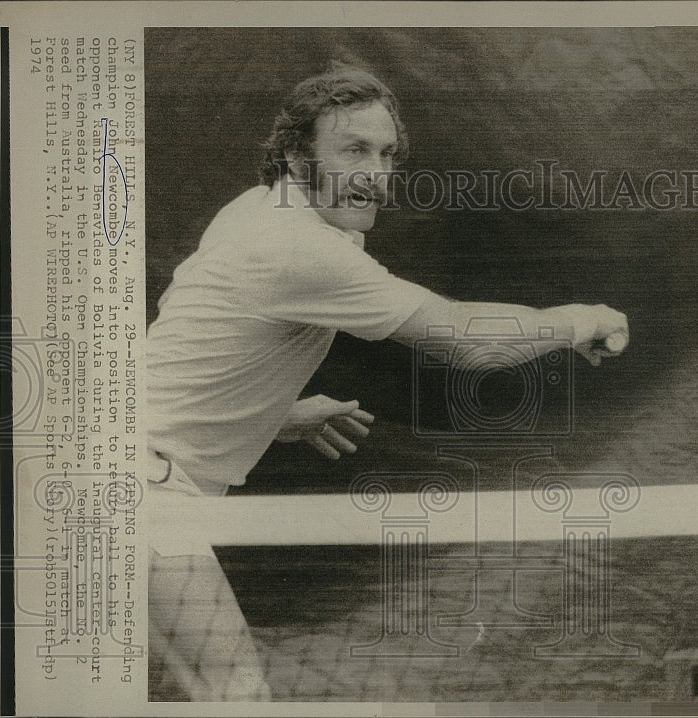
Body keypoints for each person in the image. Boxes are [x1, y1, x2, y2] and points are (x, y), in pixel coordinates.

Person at [145, 62, 628, 701]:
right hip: (142, 495)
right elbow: (465, 339)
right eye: (353, 150)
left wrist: (277, 413)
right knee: (236, 690)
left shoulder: (260, 211)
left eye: (386, 152)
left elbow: (189, 342)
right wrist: (579, 319)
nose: (375, 173)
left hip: (116, 473)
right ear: (295, 155)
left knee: (182, 694)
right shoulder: (300, 247)